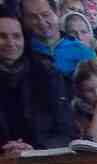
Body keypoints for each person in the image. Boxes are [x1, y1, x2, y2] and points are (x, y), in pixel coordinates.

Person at [0, 11, 74, 154]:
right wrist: (4, 151)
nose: (11, 43)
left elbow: (66, 132)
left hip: (42, 158)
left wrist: (34, 150)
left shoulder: (47, 73)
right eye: (2, 36)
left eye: (17, 36)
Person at [21, 0, 95, 77]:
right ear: (24, 20)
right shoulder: (22, 50)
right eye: (33, 17)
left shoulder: (81, 50)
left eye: (46, 15)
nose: (41, 22)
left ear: (57, 12)